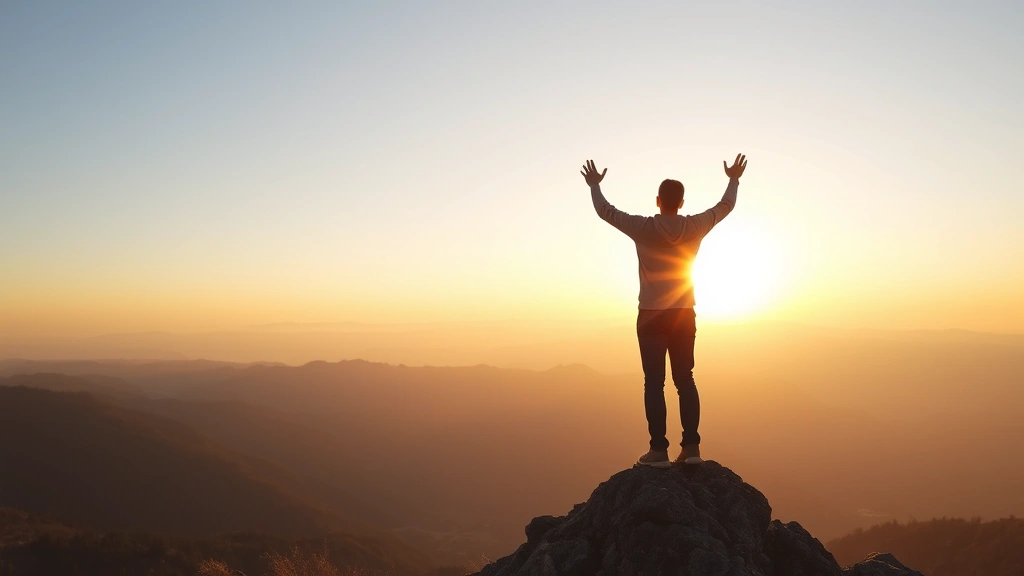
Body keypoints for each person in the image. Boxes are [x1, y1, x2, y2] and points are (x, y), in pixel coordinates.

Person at [580, 154, 747, 467]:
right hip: (684, 312)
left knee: (654, 383)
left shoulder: (643, 227)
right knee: (686, 379)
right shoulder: (695, 225)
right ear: (681, 202)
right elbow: (725, 206)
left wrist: (594, 185)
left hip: (652, 315)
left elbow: (606, 211)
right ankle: (692, 448)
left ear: (658, 201)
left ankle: (658, 451)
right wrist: (733, 179)